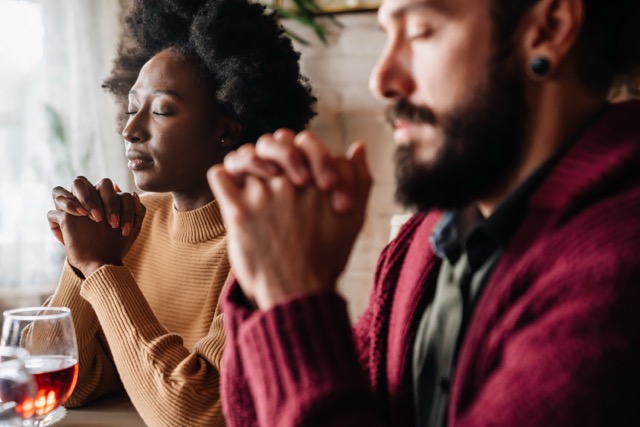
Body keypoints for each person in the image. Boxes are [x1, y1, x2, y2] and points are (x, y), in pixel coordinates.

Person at [207, 0, 640, 425]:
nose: (382, 80)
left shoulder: (616, 266)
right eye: (385, 35)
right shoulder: (425, 239)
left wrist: (293, 298)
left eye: (418, 31)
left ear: (549, 29)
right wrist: (268, 281)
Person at [44, 0, 315, 426]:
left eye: (162, 110)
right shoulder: (129, 227)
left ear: (227, 128)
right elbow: (66, 384)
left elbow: (196, 412)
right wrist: (81, 260)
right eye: (132, 108)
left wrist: (101, 266)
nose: (131, 130)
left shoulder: (267, 245)